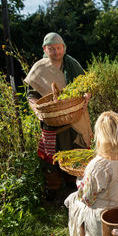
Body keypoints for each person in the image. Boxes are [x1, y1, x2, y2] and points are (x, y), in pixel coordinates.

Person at [24, 32, 93, 200]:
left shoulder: (72, 64)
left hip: (74, 117)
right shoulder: (39, 69)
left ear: (64, 48)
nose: (56, 52)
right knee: (52, 156)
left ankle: (74, 186)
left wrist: (86, 97)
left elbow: (86, 87)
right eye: (52, 49)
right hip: (51, 120)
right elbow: (31, 95)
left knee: (75, 151)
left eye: (59, 48)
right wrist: (37, 111)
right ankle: (53, 190)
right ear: (45, 49)